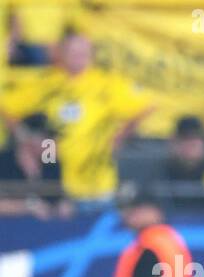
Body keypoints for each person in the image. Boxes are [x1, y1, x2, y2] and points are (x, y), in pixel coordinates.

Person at [0, 30, 153, 203]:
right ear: (62, 54)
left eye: (83, 53)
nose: (78, 57)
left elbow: (144, 107)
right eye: (72, 52)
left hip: (95, 178)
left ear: (91, 55)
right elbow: (6, 107)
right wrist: (24, 138)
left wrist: (119, 137)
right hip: (54, 175)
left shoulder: (105, 84)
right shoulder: (48, 83)